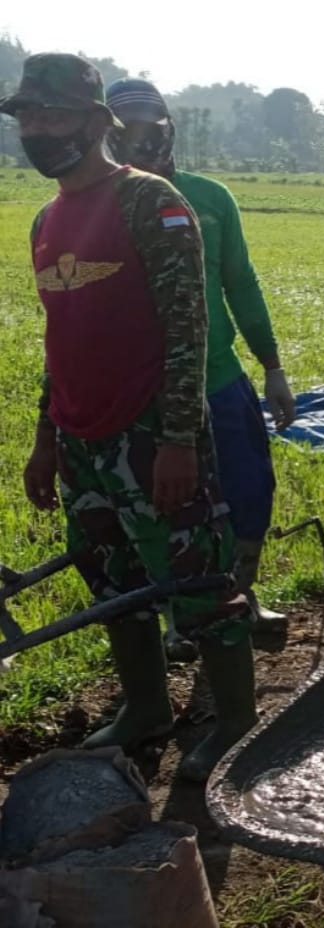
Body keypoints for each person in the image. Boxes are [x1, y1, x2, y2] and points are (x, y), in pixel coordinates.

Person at [5, 53, 255, 782]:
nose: (38, 130)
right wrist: (46, 439)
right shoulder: (47, 219)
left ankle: (236, 721)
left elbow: (187, 329)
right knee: (111, 578)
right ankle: (145, 707)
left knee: (197, 579)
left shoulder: (151, 203)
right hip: (82, 437)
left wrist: (178, 439)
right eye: (28, 117)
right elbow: (62, 338)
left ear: (94, 122)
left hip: (150, 432)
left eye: (53, 115)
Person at [104, 78, 297, 649]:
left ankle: (239, 598)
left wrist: (273, 368)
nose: (144, 139)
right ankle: (179, 618)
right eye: (128, 129)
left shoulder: (209, 198)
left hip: (219, 377)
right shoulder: (97, 209)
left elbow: (241, 282)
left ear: (170, 129)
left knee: (250, 491)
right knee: (169, 508)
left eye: (153, 126)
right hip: (145, 391)